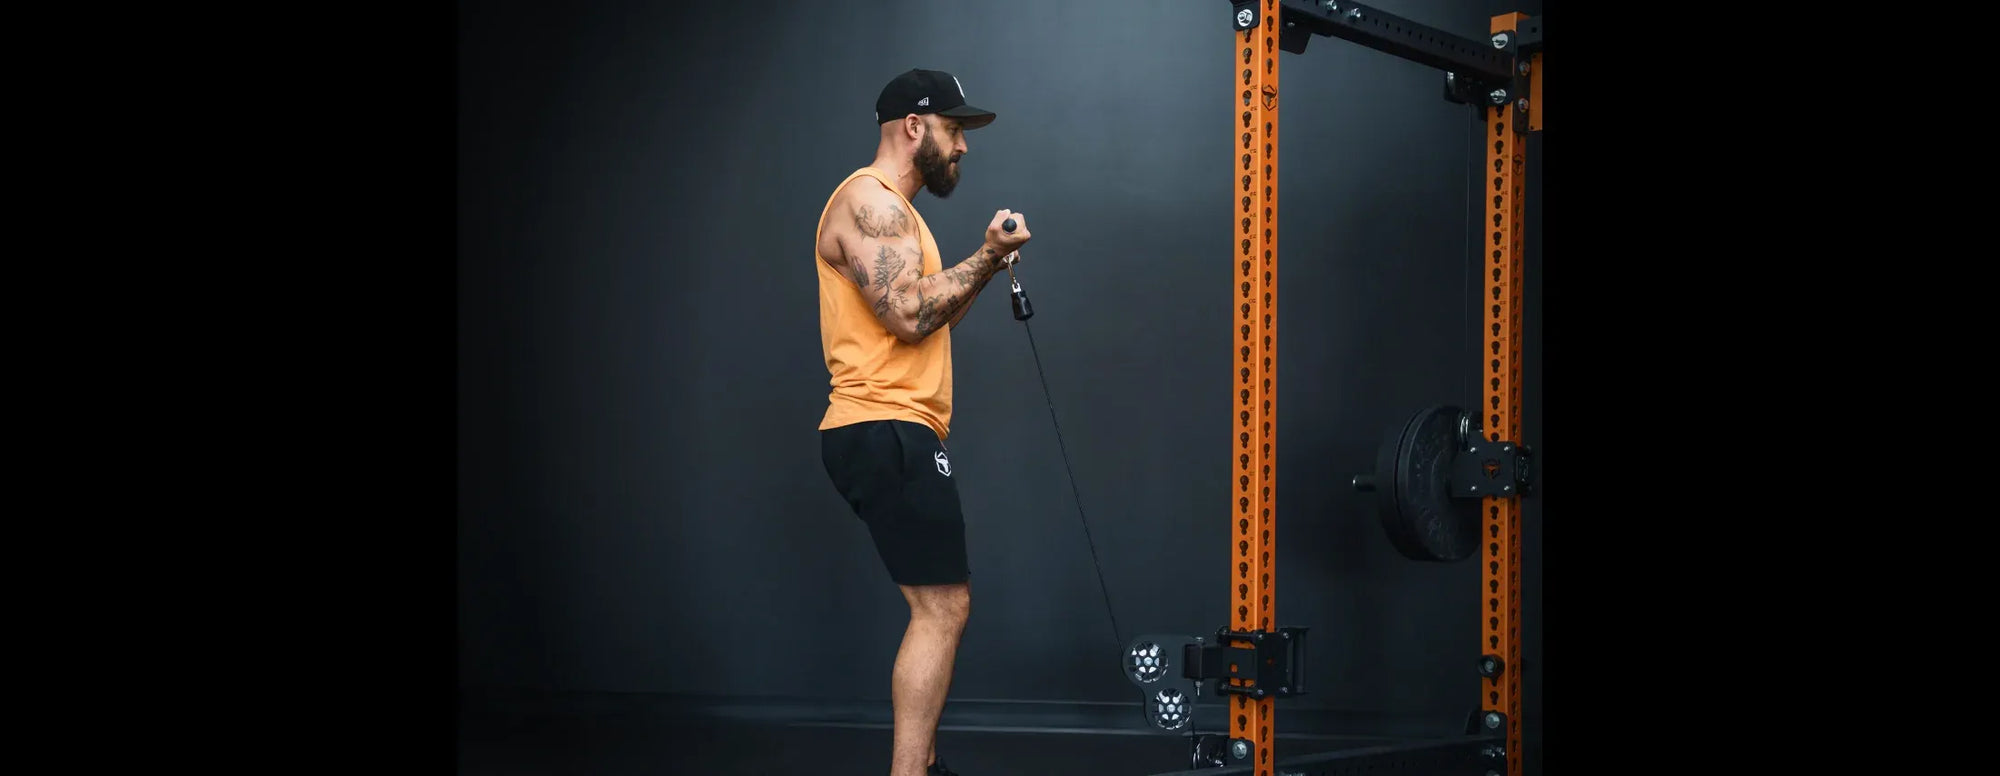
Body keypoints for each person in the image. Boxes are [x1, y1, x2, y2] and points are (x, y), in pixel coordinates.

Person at [813, 68, 1031, 776]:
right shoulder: (869, 203)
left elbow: (928, 312)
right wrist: (987, 256)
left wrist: (990, 263)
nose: (963, 147)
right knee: (942, 609)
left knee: (942, 605)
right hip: (883, 423)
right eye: (954, 129)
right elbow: (910, 315)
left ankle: (924, 766)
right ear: (914, 126)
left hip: (894, 428)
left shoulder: (901, 216)